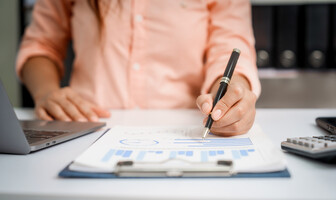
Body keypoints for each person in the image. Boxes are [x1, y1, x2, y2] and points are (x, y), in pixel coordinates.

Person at [16, 0, 261, 136]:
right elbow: (41, 44)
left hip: (184, 128)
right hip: (86, 126)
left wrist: (233, 89)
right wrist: (45, 92)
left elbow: (228, 45)